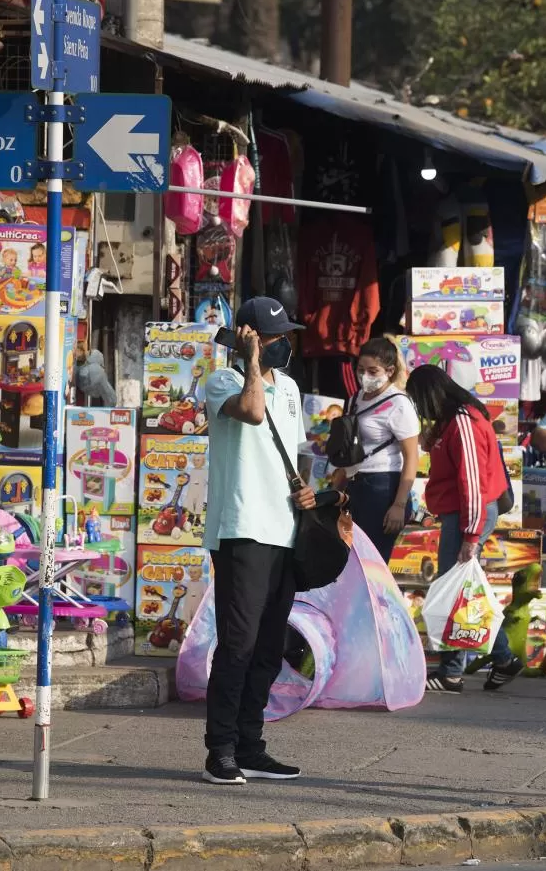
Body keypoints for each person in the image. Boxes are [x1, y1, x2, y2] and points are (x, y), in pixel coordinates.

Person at [198, 297, 318, 786]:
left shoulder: (288, 388)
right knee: (238, 644)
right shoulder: (222, 381)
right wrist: (249, 360)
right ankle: (220, 751)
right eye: (271, 337)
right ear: (248, 336)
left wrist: (307, 489)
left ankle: (251, 745)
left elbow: (296, 452)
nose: (281, 344)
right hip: (241, 529)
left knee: (269, 647)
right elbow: (250, 412)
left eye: (283, 336)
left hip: (284, 530)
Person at [405, 363, 515, 692]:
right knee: (459, 590)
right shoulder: (455, 420)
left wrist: (470, 536)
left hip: (468, 514)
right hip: (463, 513)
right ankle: (502, 659)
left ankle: (456, 670)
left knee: (456, 591)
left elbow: (473, 484)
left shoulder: (463, 421)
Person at [331, 338, 420, 562]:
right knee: (349, 560)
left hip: (383, 488)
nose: (365, 376)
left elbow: (411, 458)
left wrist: (399, 504)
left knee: (373, 563)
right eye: (361, 370)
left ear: (389, 371)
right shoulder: (355, 399)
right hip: (354, 487)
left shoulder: (399, 404)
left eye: (373, 371)